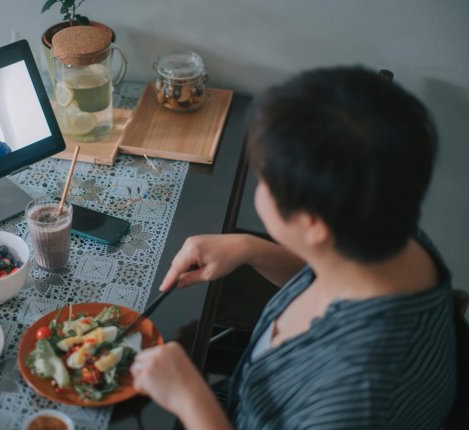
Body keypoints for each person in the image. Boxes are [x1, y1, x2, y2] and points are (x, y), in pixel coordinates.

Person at [130, 66, 457, 429]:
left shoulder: (355, 400)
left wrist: (190, 400)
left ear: (312, 224)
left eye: (264, 180)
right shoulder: (394, 233)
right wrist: (251, 249)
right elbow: (322, 273)